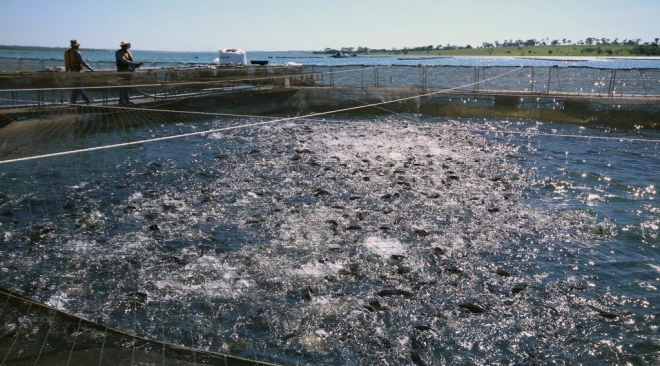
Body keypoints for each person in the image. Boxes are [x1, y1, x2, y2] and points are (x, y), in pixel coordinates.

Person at [64, 39, 94, 104]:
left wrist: (67, 71)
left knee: (76, 87)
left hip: (71, 70)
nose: (78, 46)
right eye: (78, 45)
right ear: (77, 45)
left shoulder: (67, 52)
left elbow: (66, 62)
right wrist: (90, 68)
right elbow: (82, 62)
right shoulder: (76, 52)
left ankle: (73, 101)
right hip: (77, 71)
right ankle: (87, 100)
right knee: (79, 86)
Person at [115, 41, 143, 105]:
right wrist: (135, 64)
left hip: (129, 70)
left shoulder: (128, 52)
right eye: (122, 45)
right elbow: (124, 60)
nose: (123, 46)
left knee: (127, 86)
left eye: (125, 45)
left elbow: (129, 61)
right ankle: (121, 100)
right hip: (122, 71)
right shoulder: (119, 52)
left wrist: (135, 65)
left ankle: (126, 100)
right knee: (122, 86)